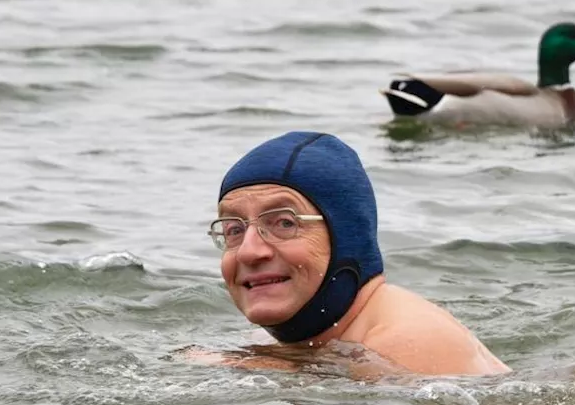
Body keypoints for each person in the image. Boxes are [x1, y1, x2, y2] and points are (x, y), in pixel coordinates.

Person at [196, 130, 511, 379]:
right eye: (234, 229)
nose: (250, 251)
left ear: (346, 236)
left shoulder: (408, 341)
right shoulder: (326, 339)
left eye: (284, 223)